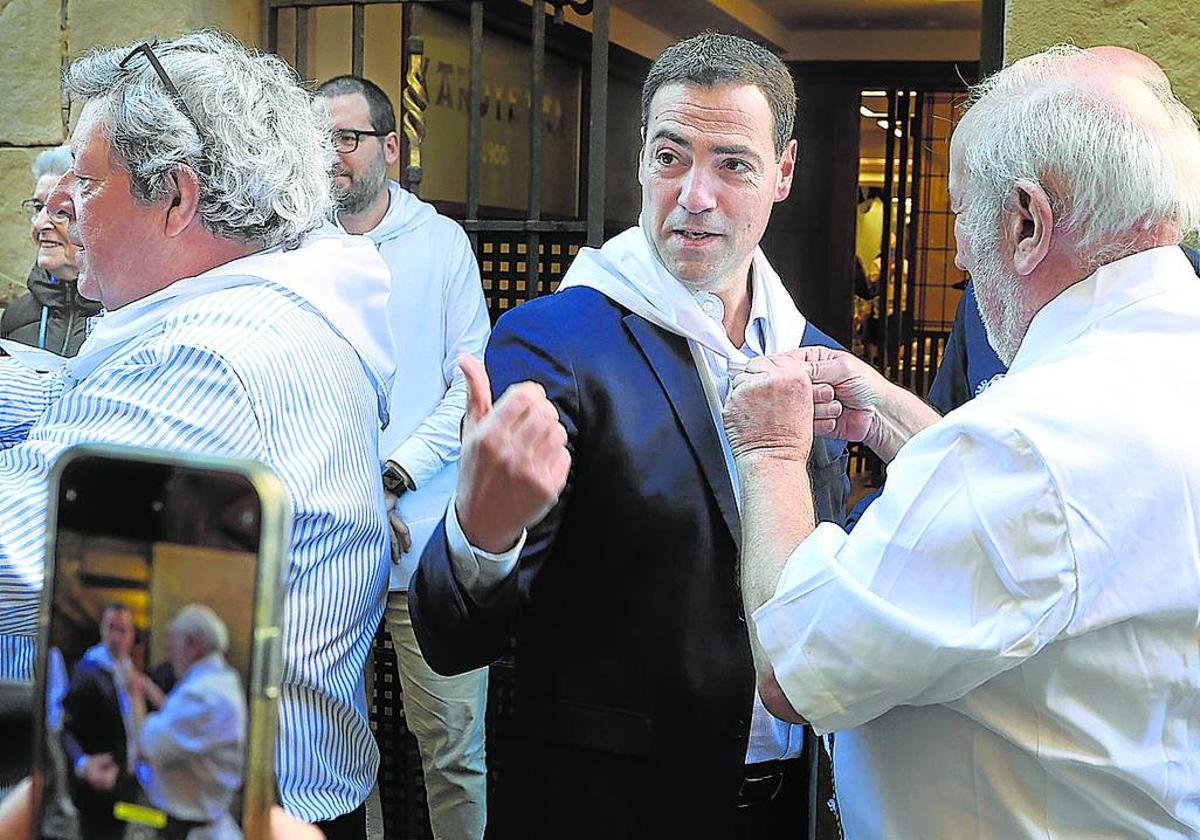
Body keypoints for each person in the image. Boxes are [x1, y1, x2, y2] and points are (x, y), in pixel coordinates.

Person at [724, 44, 1200, 837]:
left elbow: (793, 668)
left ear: (1025, 221)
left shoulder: (1030, 441)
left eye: (963, 223)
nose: (963, 261)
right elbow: (1039, 543)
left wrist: (771, 453)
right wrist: (889, 418)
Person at [411, 33, 849, 839]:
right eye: (671, 156)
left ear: (784, 174)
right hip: (612, 808)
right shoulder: (555, 342)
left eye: (733, 164)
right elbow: (453, 635)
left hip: (795, 804)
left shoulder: (810, 351)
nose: (694, 194)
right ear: (640, 162)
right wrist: (480, 531)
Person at [0, 32, 395, 838]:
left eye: (84, 178)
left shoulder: (209, 361)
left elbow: (15, 559)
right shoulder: (264, 309)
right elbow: (90, 403)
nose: (62, 205)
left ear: (176, 200)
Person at [316, 75, 491, 840]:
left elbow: (470, 383)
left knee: (452, 748)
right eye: (318, 140)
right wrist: (352, 491)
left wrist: (390, 477)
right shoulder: (298, 246)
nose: (331, 157)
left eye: (346, 139)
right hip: (326, 546)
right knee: (334, 748)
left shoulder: (440, 244)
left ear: (390, 147)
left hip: (424, 547)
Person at [138, 605, 246, 840]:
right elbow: (179, 722)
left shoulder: (206, 695)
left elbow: (150, 746)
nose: (168, 651)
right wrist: (152, 692)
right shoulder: (214, 682)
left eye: (173, 642)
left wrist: (132, 696)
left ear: (194, 645)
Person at [61, 604, 150, 840]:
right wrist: (83, 764)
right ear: (102, 630)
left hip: (127, 781)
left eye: (124, 630)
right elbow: (66, 729)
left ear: (132, 636)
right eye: (111, 628)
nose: (117, 637)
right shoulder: (88, 671)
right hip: (100, 784)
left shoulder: (128, 668)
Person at [1, 145, 100, 357]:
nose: (41, 224)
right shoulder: (15, 317)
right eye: (38, 208)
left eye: (61, 211)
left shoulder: (126, 312)